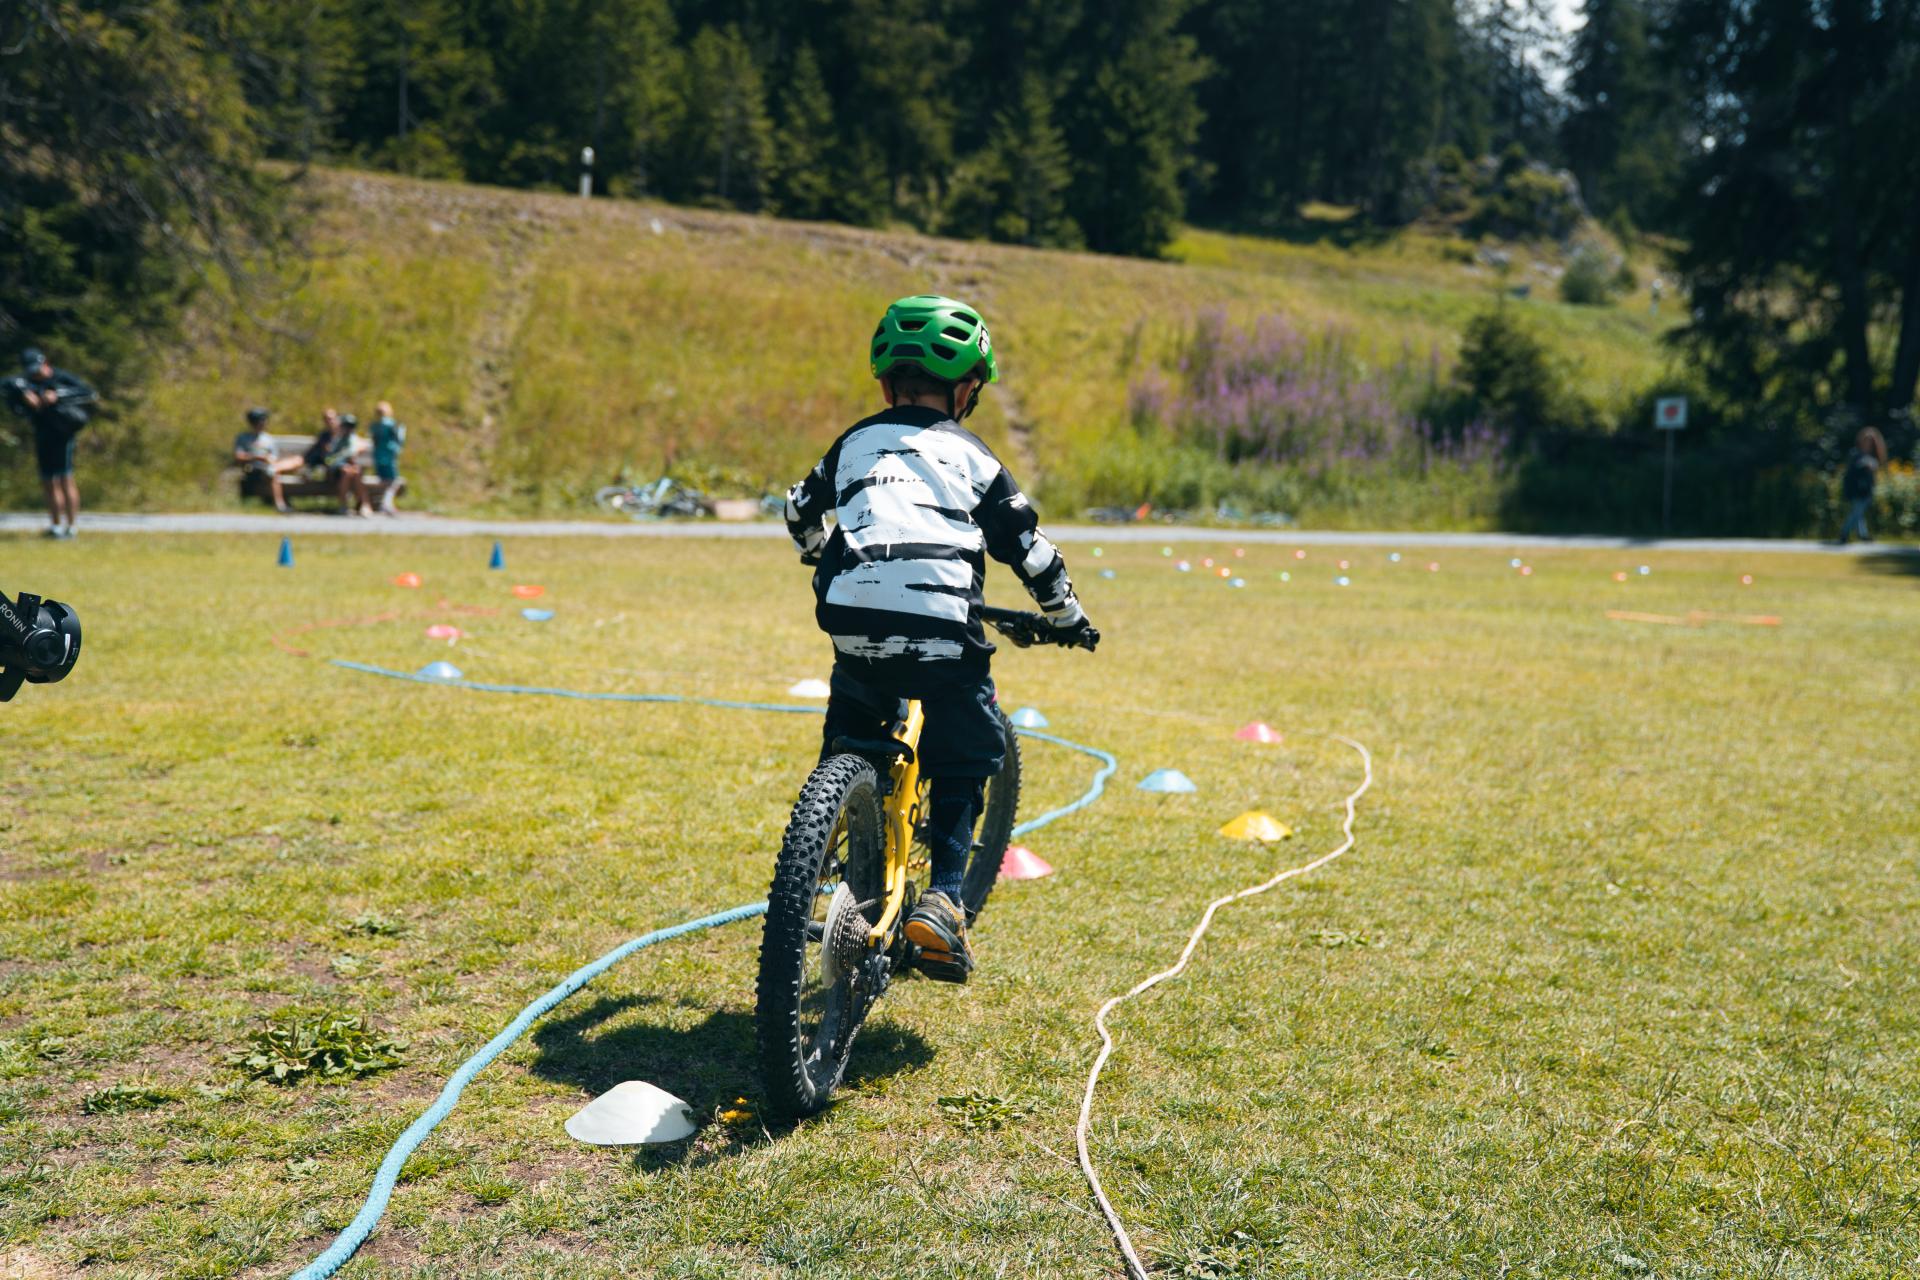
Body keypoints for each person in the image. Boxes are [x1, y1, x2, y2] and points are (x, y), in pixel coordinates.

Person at [783, 295, 1095, 983]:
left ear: (886, 383)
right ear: (967, 389)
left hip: (851, 622)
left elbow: (798, 509)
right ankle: (946, 897)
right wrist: (1069, 618)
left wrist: (818, 553)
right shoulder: (972, 456)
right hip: (943, 632)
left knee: (853, 728)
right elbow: (1030, 553)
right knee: (964, 752)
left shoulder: (853, 443)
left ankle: (837, 838)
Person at [4, 348, 96, 538]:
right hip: (42, 433)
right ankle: (55, 527)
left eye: (38, 369)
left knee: (65, 478)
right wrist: (24, 393)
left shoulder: (60, 377)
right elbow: (6, 384)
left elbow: (88, 392)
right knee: (48, 480)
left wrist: (57, 395)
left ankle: (71, 527)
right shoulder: (26, 382)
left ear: (45, 363)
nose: (36, 373)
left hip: (62, 434)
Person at [304, 408, 372, 517]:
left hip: (348, 470)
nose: (348, 429)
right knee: (346, 471)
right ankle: (344, 505)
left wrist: (355, 451)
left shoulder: (351, 439)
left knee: (356, 471)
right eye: (346, 426)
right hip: (333, 472)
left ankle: (364, 504)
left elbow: (360, 446)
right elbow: (328, 459)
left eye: (351, 427)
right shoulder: (331, 438)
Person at [232, 406, 295, 512]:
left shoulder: (269, 439)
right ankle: (280, 505)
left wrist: (269, 460)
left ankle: (280, 504)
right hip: (251, 469)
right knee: (273, 473)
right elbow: (238, 456)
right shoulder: (243, 438)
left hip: (269, 469)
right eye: (261, 421)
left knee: (274, 471)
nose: (263, 423)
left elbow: (274, 458)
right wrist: (257, 457)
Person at [1838, 425, 1889, 544]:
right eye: (1866, 440)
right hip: (1856, 488)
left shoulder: (1873, 456)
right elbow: (1851, 473)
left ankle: (1863, 535)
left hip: (1866, 488)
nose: (1868, 443)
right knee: (1857, 511)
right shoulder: (1856, 454)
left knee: (1859, 512)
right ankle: (1844, 533)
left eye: (1871, 441)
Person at [368, 400, 407, 515]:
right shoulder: (392, 424)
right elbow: (399, 440)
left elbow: (373, 441)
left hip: (378, 456)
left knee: (383, 480)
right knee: (393, 480)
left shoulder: (374, 425)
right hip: (389, 455)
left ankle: (384, 503)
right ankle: (386, 503)